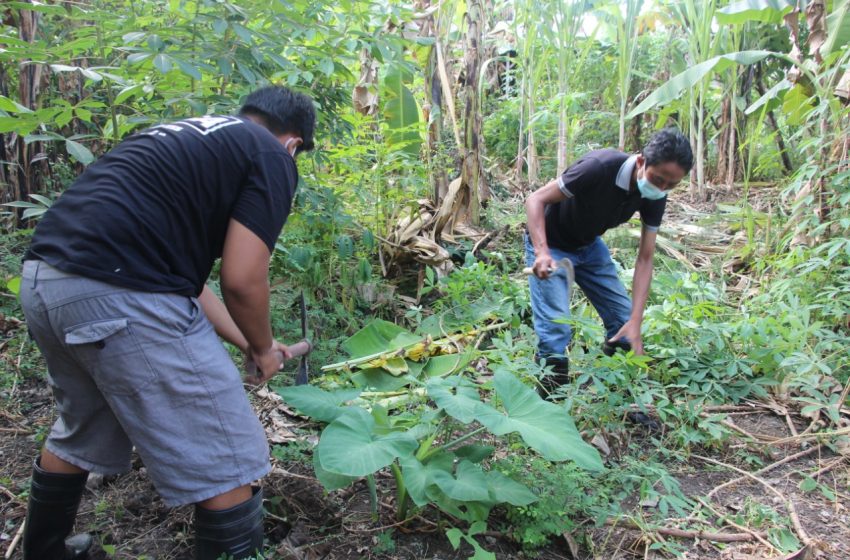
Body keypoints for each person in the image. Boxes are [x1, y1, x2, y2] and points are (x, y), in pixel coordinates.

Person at [18, 85, 316, 560]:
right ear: (294, 142)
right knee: (230, 457)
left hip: (45, 282)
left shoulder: (187, 137)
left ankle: (47, 552)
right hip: (122, 296)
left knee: (86, 426)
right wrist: (263, 351)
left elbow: (188, 282)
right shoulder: (272, 154)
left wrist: (250, 341)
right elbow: (242, 279)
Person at [525, 128, 693, 390]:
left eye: (671, 185)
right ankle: (549, 401)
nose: (662, 188)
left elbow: (645, 258)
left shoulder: (656, 195)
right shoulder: (599, 167)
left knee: (624, 322)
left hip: (589, 246)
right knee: (556, 328)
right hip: (552, 243)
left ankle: (617, 393)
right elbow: (535, 199)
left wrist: (635, 320)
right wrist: (542, 251)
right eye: (658, 179)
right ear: (641, 162)